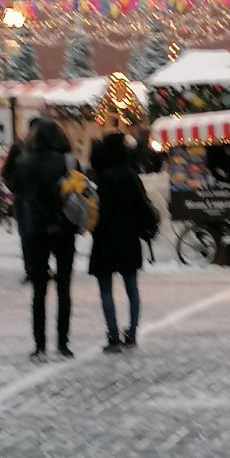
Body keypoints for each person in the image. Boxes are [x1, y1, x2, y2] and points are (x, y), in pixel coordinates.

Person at [89, 133, 156, 352]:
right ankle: (133, 332)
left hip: (105, 238)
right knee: (132, 289)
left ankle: (113, 336)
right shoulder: (131, 175)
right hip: (128, 237)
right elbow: (142, 206)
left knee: (106, 290)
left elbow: (98, 210)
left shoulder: (103, 177)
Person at [18, 118, 77, 362]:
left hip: (35, 229)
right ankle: (63, 344)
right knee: (64, 287)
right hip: (64, 228)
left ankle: (39, 345)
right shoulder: (68, 161)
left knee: (39, 290)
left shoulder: (26, 162)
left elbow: (16, 188)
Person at [1, 118, 41, 285]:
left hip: (38, 198)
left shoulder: (43, 148)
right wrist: (16, 188)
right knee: (26, 234)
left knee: (38, 235)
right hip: (24, 197)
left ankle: (40, 268)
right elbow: (6, 171)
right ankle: (30, 270)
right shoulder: (19, 147)